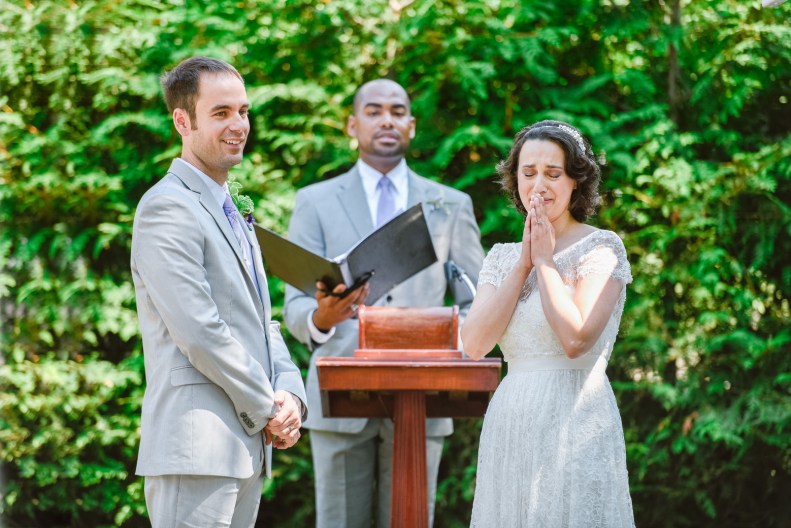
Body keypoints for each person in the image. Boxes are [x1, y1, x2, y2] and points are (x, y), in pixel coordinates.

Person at [283, 79, 485, 528]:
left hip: (424, 394)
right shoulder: (314, 202)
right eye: (374, 111)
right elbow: (293, 307)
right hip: (339, 393)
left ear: (411, 126)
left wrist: (447, 340)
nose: (387, 119)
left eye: (397, 111)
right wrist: (322, 317)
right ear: (352, 125)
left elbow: (478, 303)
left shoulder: (450, 204)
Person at [130, 56, 307, 527]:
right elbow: (199, 330)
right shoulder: (166, 207)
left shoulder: (232, 209)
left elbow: (261, 319)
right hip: (196, 447)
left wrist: (291, 393)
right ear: (182, 121)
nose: (239, 125)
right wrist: (268, 406)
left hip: (246, 448)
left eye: (244, 111)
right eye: (222, 112)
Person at [462, 120, 635, 527]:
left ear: (576, 181)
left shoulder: (603, 248)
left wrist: (544, 261)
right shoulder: (502, 256)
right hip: (512, 422)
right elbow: (474, 344)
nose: (538, 184)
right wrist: (523, 263)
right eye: (528, 173)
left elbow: (576, 338)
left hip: (576, 420)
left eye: (553, 174)